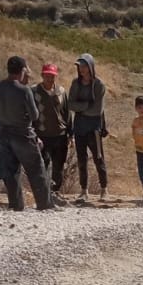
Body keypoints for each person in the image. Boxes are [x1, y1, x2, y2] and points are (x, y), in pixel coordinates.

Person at [0, 56, 54, 212]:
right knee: (36, 168)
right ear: (22, 70)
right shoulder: (24, 90)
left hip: (4, 133)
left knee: (11, 170)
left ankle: (16, 205)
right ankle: (45, 204)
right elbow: (34, 115)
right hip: (23, 134)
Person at [68, 53, 108, 204]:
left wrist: (80, 108)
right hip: (79, 127)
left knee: (98, 158)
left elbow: (97, 110)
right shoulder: (75, 83)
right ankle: (83, 190)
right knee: (81, 159)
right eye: (80, 67)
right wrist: (85, 106)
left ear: (91, 66)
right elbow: (70, 104)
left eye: (84, 66)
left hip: (94, 127)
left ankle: (104, 188)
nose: (82, 70)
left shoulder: (99, 85)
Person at [33, 62, 71, 198]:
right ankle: (43, 191)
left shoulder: (61, 91)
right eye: (47, 75)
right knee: (43, 163)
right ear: (42, 75)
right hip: (42, 135)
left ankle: (55, 191)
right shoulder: (34, 91)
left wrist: (69, 134)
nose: (50, 78)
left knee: (58, 165)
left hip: (60, 134)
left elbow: (67, 113)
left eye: (52, 75)